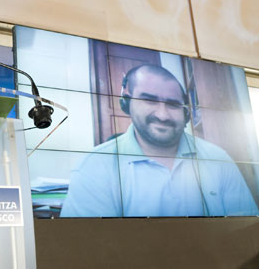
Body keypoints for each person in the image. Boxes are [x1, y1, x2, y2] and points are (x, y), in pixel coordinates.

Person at [61, 64, 259, 217]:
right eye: (149, 100)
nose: (163, 115)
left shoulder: (218, 158)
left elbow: (245, 236)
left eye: (173, 104)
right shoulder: (94, 166)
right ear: (126, 103)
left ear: (186, 113)